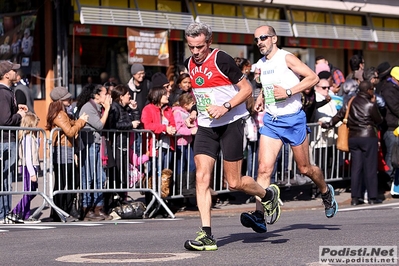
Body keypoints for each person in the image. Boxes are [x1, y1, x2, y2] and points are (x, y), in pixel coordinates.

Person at [183, 22, 281, 251]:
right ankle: (206, 235)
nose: (195, 52)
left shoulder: (221, 59)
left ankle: (267, 195)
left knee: (234, 182)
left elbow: (246, 89)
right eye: (191, 47)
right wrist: (195, 111)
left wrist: (225, 106)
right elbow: (201, 94)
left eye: (199, 47)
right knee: (202, 178)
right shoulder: (189, 63)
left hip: (231, 123)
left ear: (209, 42)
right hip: (207, 127)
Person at [242, 25, 338, 235]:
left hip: (294, 120)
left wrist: (288, 92)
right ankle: (259, 215)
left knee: (305, 169)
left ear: (274, 39)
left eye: (263, 37)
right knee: (264, 170)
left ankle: (325, 191)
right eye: (256, 39)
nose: (260, 42)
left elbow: (312, 78)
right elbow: (267, 86)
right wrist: (260, 99)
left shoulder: (286, 58)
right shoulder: (261, 64)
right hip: (272, 122)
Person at [321, 81, 383, 205]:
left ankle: (355, 197)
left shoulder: (351, 101)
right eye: (372, 89)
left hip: (353, 137)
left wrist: (328, 124)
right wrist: (374, 104)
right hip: (368, 136)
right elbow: (379, 119)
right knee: (370, 167)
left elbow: (339, 115)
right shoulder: (370, 104)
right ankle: (372, 197)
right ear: (368, 90)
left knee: (356, 168)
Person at [47, 86, 88, 222]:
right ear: (60, 100)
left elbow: (71, 125)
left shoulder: (64, 113)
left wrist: (77, 121)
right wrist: (81, 121)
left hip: (66, 149)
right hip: (62, 150)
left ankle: (60, 210)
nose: (70, 100)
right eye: (67, 98)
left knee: (68, 181)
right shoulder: (59, 114)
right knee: (65, 181)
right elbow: (70, 131)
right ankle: (61, 210)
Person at [76, 84, 112, 221]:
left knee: (100, 177)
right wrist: (107, 108)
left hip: (96, 144)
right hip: (89, 145)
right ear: (96, 96)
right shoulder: (88, 108)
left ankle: (98, 208)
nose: (107, 96)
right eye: (104, 94)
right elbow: (99, 125)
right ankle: (86, 208)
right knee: (88, 177)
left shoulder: (97, 107)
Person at [0, 61, 27, 224]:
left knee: (6, 179)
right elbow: (5, 120)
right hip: (5, 140)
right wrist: (19, 116)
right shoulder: (3, 93)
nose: (16, 73)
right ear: (6, 74)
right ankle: (3, 214)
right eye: (13, 71)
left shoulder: (8, 92)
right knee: (5, 179)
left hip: (7, 140)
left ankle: (4, 213)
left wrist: (17, 110)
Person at [106, 84, 140, 205]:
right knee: (118, 174)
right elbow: (113, 125)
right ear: (121, 96)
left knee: (124, 173)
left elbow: (137, 122)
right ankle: (115, 200)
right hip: (117, 145)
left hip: (125, 145)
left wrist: (134, 109)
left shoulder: (125, 108)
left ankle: (122, 198)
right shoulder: (115, 108)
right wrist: (130, 125)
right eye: (127, 94)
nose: (129, 96)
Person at [7, 112, 40, 223]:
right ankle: (15, 212)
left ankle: (26, 215)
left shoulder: (32, 137)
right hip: (28, 168)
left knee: (33, 190)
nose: (37, 127)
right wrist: (32, 173)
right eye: (35, 125)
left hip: (32, 167)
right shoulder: (27, 138)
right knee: (29, 192)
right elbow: (28, 158)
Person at [172, 93, 197, 195]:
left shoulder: (189, 113)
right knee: (181, 165)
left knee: (191, 164)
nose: (193, 105)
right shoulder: (178, 113)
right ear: (186, 105)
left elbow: (194, 125)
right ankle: (180, 187)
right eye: (192, 103)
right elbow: (178, 129)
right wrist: (190, 131)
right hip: (180, 143)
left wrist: (194, 127)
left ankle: (189, 186)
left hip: (188, 142)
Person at [381, 67, 399, 179]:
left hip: (396, 126)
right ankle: (388, 178)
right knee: (391, 153)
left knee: (395, 154)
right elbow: (395, 107)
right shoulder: (388, 89)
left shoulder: (395, 88)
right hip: (391, 127)